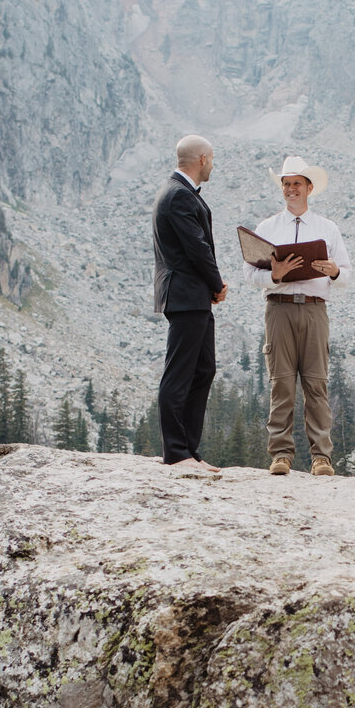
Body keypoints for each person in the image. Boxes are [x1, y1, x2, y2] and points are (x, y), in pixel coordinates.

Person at [243, 155, 352, 476]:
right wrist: (274, 274)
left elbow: (346, 274)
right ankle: (281, 454)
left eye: (297, 184)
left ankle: (322, 457)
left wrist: (332, 270)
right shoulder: (267, 227)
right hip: (278, 307)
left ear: (309, 188)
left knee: (316, 382)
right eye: (287, 184)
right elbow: (249, 274)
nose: (291, 189)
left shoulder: (328, 229)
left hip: (315, 309)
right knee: (281, 383)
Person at [152, 135, 227, 472]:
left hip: (192, 296)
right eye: (211, 159)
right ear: (202, 159)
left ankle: (189, 451)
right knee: (179, 373)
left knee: (203, 369)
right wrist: (217, 284)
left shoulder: (177, 192)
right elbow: (198, 248)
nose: (212, 165)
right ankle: (177, 452)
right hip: (185, 295)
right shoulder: (179, 195)